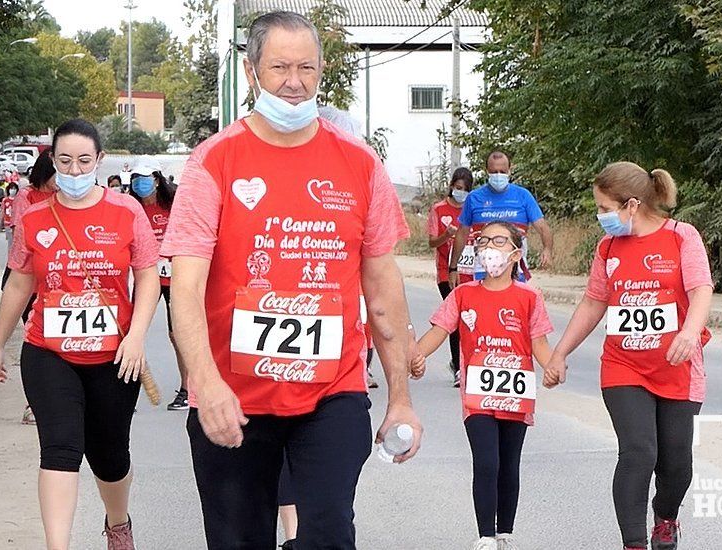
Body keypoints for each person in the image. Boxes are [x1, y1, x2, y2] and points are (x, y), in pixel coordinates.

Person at [160, 12, 422, 549]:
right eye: (280, 67)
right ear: (252, 70)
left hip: (332, 391)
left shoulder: (360, 164)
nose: (295, 82)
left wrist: (401, 398)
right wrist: (202, 384)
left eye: (307, 68)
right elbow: (184, 289)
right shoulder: (213, 162)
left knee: (327, 534)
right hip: (234, 396)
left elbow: (383, 291)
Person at [0, 118, 161, 550]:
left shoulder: (126, 211)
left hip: (114, 356)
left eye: (85, 161)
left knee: (110, 456)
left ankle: (118, 522)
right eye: (65, 160)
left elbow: (148, 276)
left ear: (100, 160)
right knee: (60, 449)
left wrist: (136, 336)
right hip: (49, 352)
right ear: (53, 162)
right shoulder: (35, 216)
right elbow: (20, 282)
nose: (76, 170)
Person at [544, 162, 713, 550]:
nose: (600, 216)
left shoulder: (681, 237)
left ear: (632, 205)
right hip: (624, 365)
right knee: (638, 451)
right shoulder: (608, 248)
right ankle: (633, 543)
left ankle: (666, 517)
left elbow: (701, 288)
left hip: (677, 366)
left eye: (604, 208)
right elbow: (593, 303)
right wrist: (560, 352)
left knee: (676, 465)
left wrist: (689, 332)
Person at [410, 221, 554, 550]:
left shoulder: (529, 297)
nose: (489, 247)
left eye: (498, 241)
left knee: (508, 463)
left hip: (516, 396)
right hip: (477, 397)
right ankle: (486, 536)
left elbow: (540, 344)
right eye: (484, 240)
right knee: (487, 461)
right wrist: (414, 355)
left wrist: (553, 366)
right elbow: (438, 331)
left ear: (516, 253)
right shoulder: (463, 295)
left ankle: (506, 533)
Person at [127, 157, 188, 410]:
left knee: (178, 334)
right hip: (148, 276)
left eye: (146, 178)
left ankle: (187, 388)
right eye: (137, 180)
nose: (142, 184)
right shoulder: (133, 207)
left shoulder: (175, 203)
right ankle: (125, 388)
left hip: (176, 277)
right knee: (130, 329)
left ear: (157, 179)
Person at [2, 150, 58, 425]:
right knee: (35, 340)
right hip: (29, 276)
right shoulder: (28, 196)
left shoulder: (67, 196)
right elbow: (24, 234)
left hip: (56, 278)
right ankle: (34, 402)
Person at [449, 151, 553, 287]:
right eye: (494, 171)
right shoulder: (474, 198)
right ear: (487, 171)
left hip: (516, 270)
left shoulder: (523, 196)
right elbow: (462, 234)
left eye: (502, 171)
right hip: (483, 270)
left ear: (509, 170)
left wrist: (547, 250)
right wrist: (453, 267)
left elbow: (543, 227)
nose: (498, 175)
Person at [428, 167, 474, 387]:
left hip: (471, 271)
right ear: (451, 186)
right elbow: (432, 242)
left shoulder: (472, 208)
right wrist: (445, 235)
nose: (460, 193)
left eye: (465, 190)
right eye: (457, 188)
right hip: (447, 273)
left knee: (470, 320)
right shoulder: (439, 209)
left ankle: (466, 362)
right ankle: (458, 368)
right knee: (456, 318)